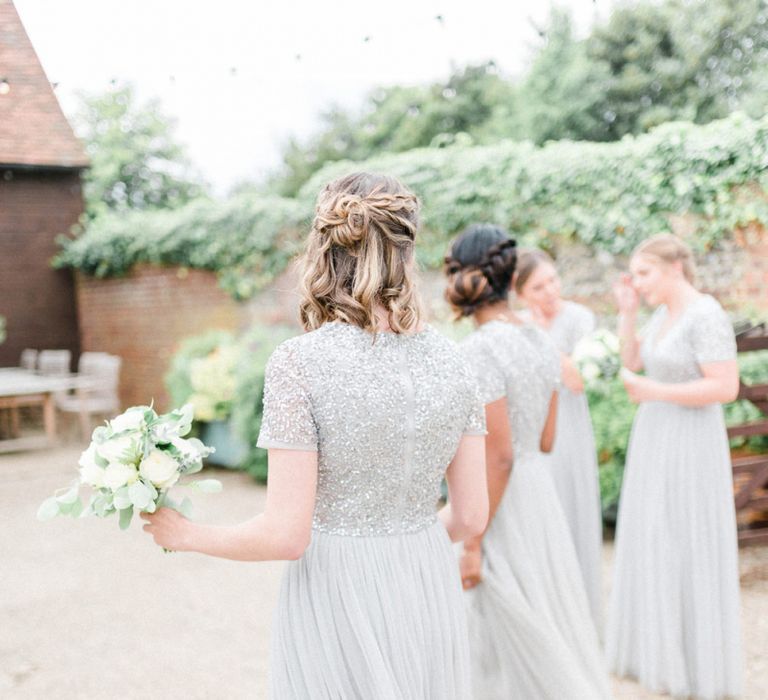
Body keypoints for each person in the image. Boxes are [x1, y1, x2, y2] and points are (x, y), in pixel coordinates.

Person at [142, 172, 489, 699]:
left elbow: (286, 534)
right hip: (426, 573)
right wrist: (402, 545)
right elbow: (471, 516)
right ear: (407, 249)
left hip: (338, 589)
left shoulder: (300, 363)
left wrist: (186, 534)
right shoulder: (458, 362)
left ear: (323, 250)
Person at [445, 224, 610, 700]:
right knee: (545, 611)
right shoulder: (540, 341)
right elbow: (545, 438)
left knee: (500, 622)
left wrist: (472, 543)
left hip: (501, 503)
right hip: (539, 497)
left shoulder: (476, 351)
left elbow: (498, 457)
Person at [608, 232, 742, 699]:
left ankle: (694, 660)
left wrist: (654, 392)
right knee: (655, 536)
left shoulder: (706, 314)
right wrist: (627, 310)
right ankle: (659, 652)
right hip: (656, 437)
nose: (638, 282)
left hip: (691, 440)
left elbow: (725, 387)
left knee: (685, 536)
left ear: (674, 268)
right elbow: (632, 358)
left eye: (644, 273)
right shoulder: (663, 313)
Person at [515, 248, 604, 628]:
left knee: (571, 504)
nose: (550, 290)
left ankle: (582, 614)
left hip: (569, 424)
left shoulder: (579, 318)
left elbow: (577, 380)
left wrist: (538, 336)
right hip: (531, 428)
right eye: (539, 287)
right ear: (521, 295)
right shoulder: (515, 324)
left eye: (552, 279)